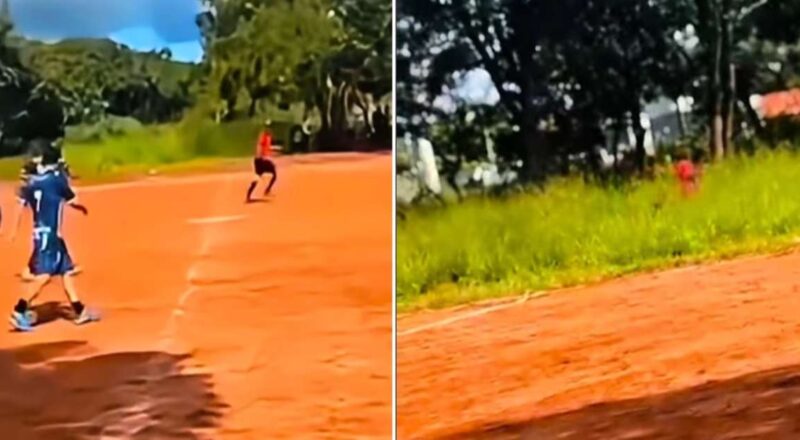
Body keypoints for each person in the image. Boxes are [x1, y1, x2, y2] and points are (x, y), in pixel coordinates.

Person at [8, 147, 97, 331]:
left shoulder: (32, 184)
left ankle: (79, 310)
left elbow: (24, 201)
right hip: (50, 235)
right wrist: (81, 208)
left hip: (43, 233)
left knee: (65, 271)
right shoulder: (56, 181)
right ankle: (19, 310)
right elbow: (72, 198)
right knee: (44, 276)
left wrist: (14, 231)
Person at [246, 119, 280, 203]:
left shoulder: (268, 136)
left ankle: (265, 190)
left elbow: (267, 148)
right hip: (259, 160)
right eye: (268, 127)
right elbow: (260, 146)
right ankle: (250, 195)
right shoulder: (264, 136)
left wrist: (274, 150)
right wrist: (260, 156)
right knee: (257, 178)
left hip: (262, 160)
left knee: (273, 173)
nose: (269, 129)